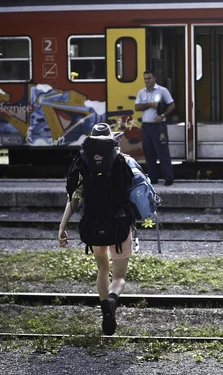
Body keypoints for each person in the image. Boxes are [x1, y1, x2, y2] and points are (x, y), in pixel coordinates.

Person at [58, 123, 133, 336]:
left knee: (103, 269)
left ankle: (104, 309)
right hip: (119, 226)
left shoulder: (83, 163)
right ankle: (111, 301)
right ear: (111, 141)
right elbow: (135, 191)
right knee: (119, 277)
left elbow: (74, 198)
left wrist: (62, 226)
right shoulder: (122, 161)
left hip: (93, 225)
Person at [135, 70, 176, 186]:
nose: (147, 81)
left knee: (162, 153)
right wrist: (150, 104)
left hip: (159, 127)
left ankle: (169, 178)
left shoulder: (162, 91)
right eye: (145, 79)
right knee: (149, 154)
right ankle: (153, 178)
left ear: (154, 78)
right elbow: (137, 107)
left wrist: (162, 115)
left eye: (149, 78)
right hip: (146, 126)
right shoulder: (141, 93)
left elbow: (172, 105)